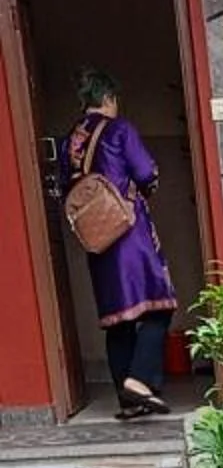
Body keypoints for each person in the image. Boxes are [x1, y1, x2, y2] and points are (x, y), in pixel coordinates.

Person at [58, 68, 177, 418]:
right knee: (160, 306)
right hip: (129, 234)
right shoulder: (119, 129)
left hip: (97, 240)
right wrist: (145, 190)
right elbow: (145, 173)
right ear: (108, 98)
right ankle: (138, 381)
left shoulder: (69, 142)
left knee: (117, 319)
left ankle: (127, 402)